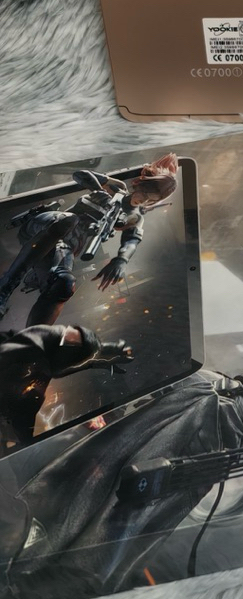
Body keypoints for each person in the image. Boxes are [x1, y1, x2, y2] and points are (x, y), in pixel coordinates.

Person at [0, 153, 178, 326]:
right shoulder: (117, 187)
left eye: (150, 200)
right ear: (139, 183)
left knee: (65, 284)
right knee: (68, 220)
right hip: (45, 226)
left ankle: (33, 338)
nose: (144, 200)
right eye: (145, 193)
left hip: (64, 247)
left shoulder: (135, 217)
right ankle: (3, 291)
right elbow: (80, 174)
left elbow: (132, 241)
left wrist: (121, 260)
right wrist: (98, 189)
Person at [0, 324, 133, 451]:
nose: (65, 333)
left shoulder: (42, 341)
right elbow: (22, 419)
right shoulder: (29, 366)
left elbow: (58, 350)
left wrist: (98, 353)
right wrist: (26, 445)